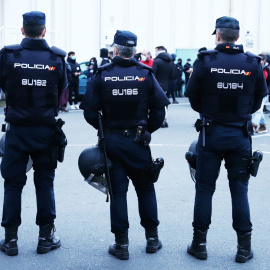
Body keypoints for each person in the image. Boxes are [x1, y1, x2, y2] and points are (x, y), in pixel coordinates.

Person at [80, 30, 170, 260]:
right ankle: (152, 239)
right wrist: (148, 129)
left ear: (116, 50)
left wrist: (103, 131)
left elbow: (89, 110)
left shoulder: (103, 74)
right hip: (139, 141)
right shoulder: (145, 73)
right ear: (134, 50)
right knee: (146, 188)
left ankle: (122, 245)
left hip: (112, 140)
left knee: (118, 193)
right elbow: (159, 108)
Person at [185, 16, 268, 263]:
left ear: (218, 36)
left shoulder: (205, 60)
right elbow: (257, 101)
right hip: (240, 135)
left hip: (211, 134)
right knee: (239, 191)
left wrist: (209, 114)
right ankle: (244, 249)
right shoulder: (252, 63)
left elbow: (192, 98)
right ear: (238, 36)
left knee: (204, 190)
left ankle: (199, 245)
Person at [0, 11, 68, 256]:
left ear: (22, 30)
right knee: (45, 182)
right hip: (45, 130)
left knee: (13, 184)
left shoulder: (8, 56)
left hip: (17, 131)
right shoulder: (56, 57)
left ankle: (10, 240)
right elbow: (62, 94)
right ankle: (45, 238)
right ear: (44, 31)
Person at [152, 46, 174, 127]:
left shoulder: (157, 61)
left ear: (158, 50)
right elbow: (173, 74)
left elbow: (152, 74)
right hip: (166, 85)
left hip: (157, 85)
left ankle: (160, 120)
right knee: (165, 103)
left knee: (157, 104)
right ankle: (165, 119)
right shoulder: (170, 61)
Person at [252, 53, 270, 133]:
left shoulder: (268, 69)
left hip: (264, 92)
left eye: (261, 60)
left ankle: (253, 126)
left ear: (264, 60)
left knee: (259, 110)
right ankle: (263, 126)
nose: (259, 61)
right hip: (257, 92)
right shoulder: (257, 68)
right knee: (259, 110)